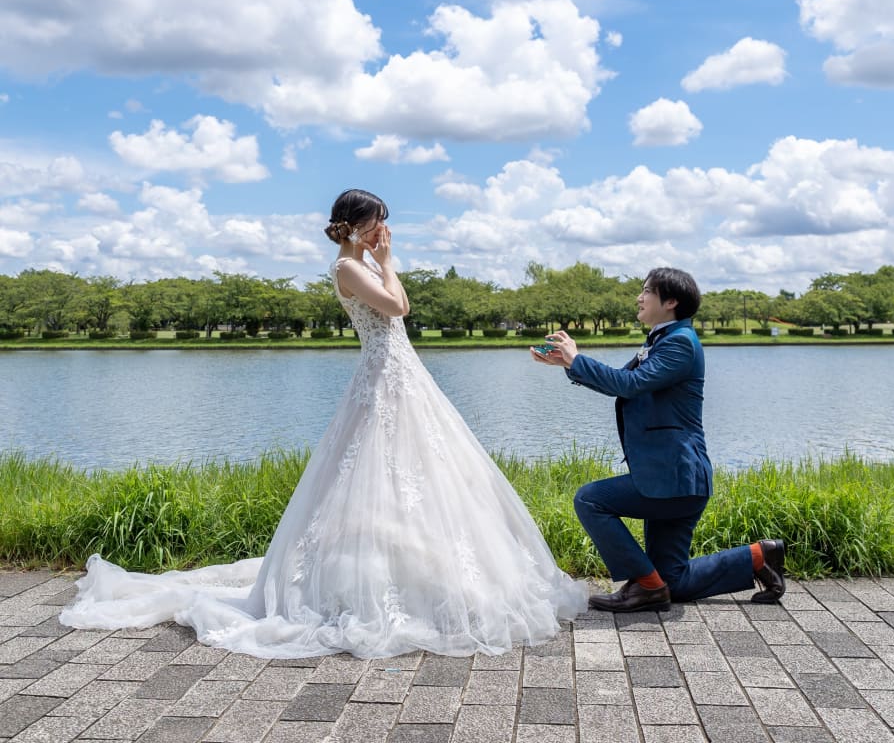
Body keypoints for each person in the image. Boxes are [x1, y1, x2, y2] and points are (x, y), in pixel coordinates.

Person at [61, 189, 587, 657]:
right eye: (379, 220)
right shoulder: (348, 268)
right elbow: (398, 307)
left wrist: (382, 260)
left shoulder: (359, 264)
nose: (385, 229)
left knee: (415, 475)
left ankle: (420, 571)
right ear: (358, 225)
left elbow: (396, 310)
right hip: (384, 378)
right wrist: (390, 260)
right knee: (374, 474)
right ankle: (368, 586)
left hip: (399, 376)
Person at [532, 266, 785, 613]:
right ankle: (759, 557)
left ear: (671, 302)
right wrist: (569, 364)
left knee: (590, 500)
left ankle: (646, 587)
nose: (639, 297)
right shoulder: (662, 339)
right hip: (673, 480)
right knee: (674, 582)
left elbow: (629, 386)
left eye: (647, 291)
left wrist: (578, 358)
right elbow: (621, 380)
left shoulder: (679, 343)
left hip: (674, 478)